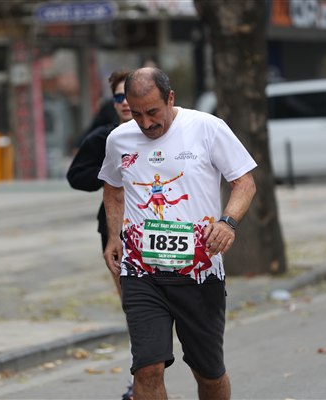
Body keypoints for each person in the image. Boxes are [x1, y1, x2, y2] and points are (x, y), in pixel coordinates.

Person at [98, 67, 257, 400]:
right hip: (142, 273)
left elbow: (244, 183)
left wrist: (227, 222)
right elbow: (112, 188)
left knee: (208, 374)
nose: (145, 123)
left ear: (170, 98)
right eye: (137, 114)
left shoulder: (207, 128)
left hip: (198, 272)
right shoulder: (119, 139)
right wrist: (114, 236)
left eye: (153, 112)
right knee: (147, 369)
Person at [66, 69, 134, 400]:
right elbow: (76, 176)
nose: (125, 103)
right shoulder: (105, 138)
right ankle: (140, 380)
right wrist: (111, 173)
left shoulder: (164, 134)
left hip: (163, 229)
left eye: (130, 95)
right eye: (119, 97)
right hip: (116, 231)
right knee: (135, 307)